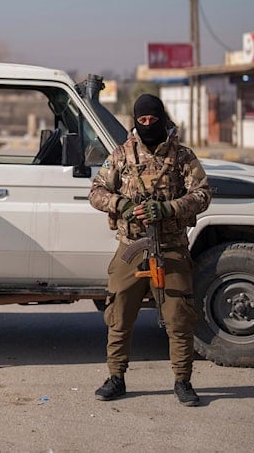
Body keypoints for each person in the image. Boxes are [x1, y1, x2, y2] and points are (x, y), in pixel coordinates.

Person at [88, 93, 211, 406]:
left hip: (170, 248)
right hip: (131, 247)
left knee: (179, 319)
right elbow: (96, 192)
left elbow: (203, 195)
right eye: (141, 120)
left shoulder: (182, 156)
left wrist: (168, 209)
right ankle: (116, 377)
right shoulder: (120, 156)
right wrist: (123, 204)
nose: (147, 125)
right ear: (134, 121)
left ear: (162, 118)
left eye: (152, 120)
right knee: (118, 315)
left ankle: (183, 381)